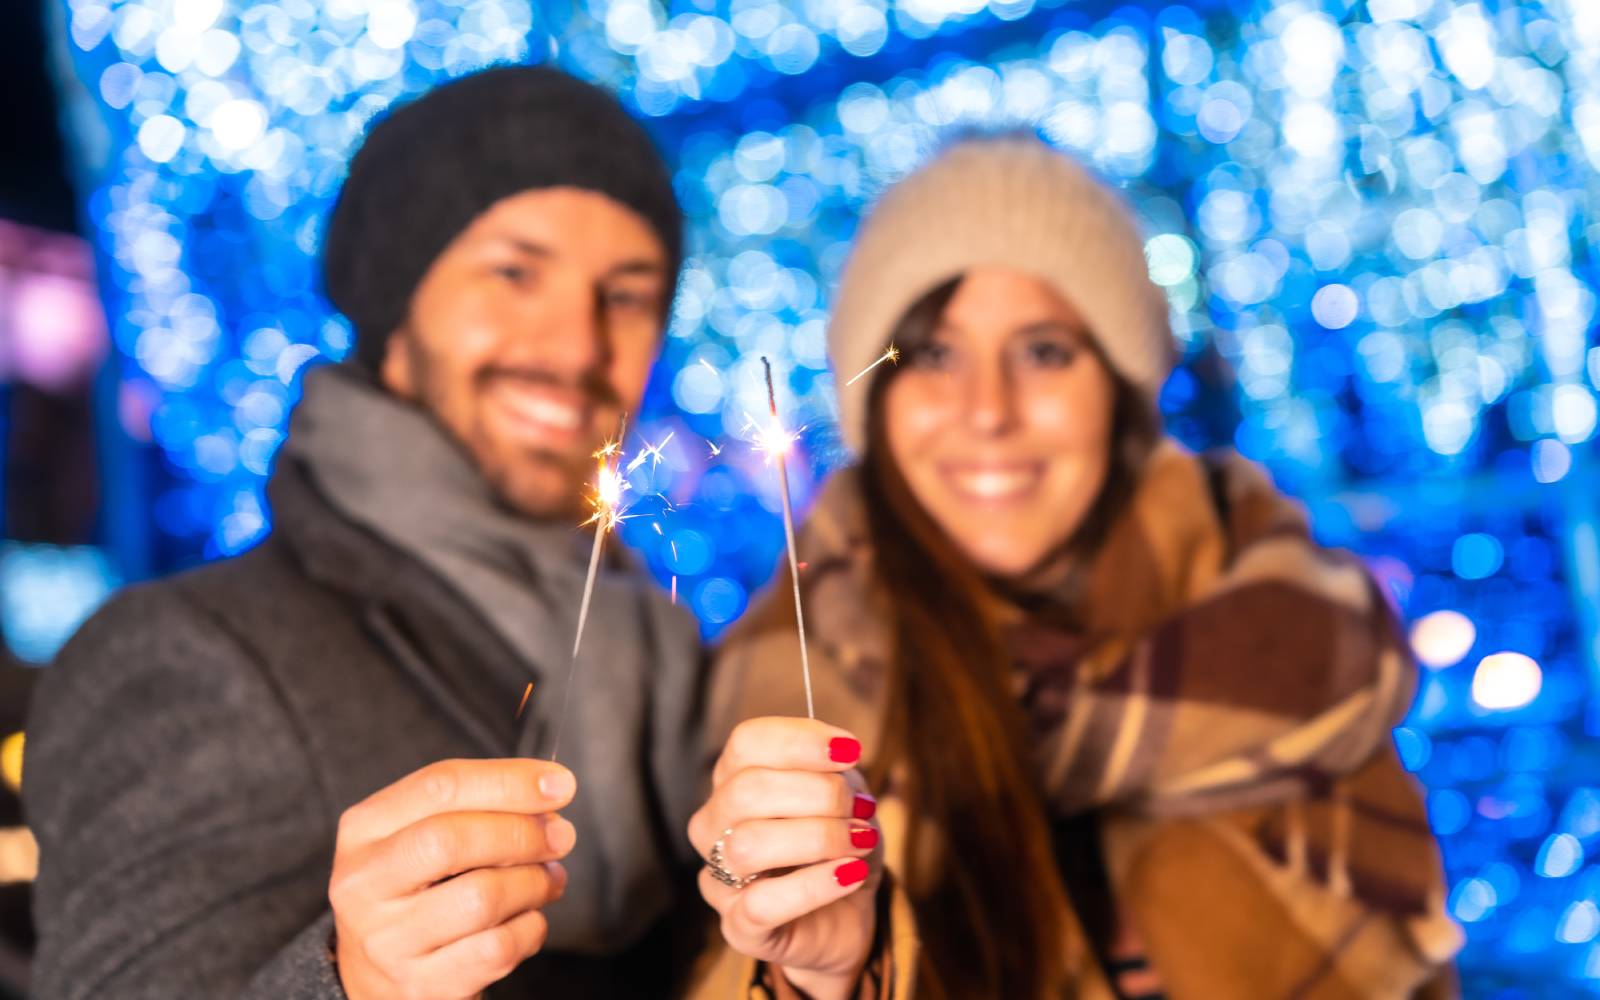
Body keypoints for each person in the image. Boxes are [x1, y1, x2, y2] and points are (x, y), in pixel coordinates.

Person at [689, 135, 1464, 999]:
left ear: (1119, 389)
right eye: (935, 355)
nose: (988, 412)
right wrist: (826, 977)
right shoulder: (784, 686)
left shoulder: (1288, 637)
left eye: (1045, 351)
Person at [24, 65, 712, 999]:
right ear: (394, 307)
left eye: (626, 295)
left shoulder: (672, 660)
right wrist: (353, 982)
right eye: (514, 272)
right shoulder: (187, 655)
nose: (578, 346)